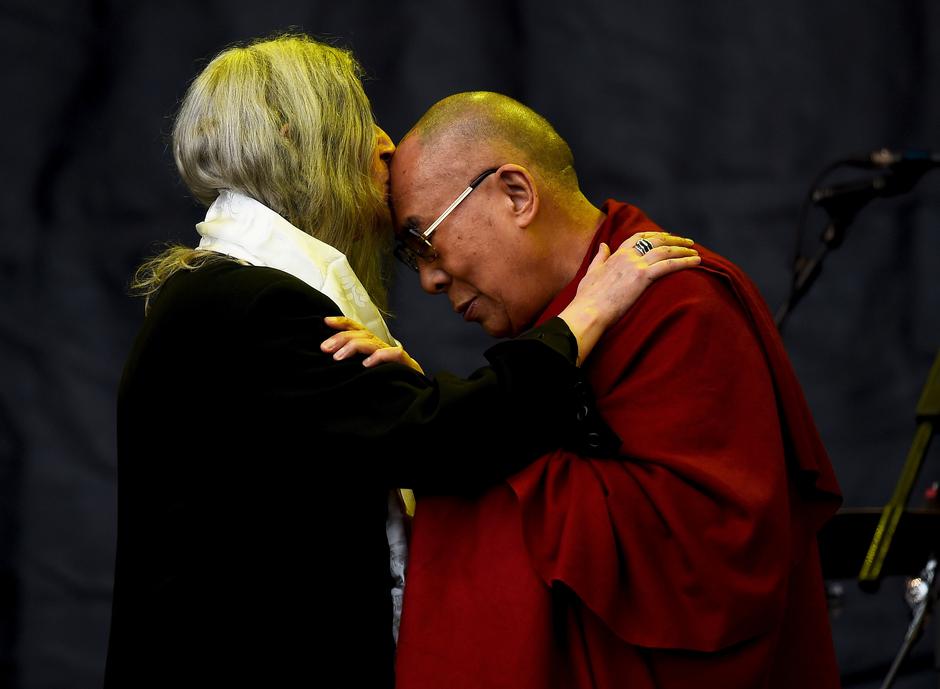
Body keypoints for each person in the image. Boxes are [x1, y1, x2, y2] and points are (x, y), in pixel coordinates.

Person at [102, 37, 700, 689]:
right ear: (297, 139)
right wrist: (585, 314)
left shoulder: (218, 294)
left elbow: (376, 438)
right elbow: (440, 441)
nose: (387, 145)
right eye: (362, 124)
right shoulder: (249, 302)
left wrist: (398, 394)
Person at [378, 92, 844, 689]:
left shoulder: (682, 304)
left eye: (425, 242)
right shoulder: (562, 325)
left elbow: (710, 558)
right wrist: (431, 416)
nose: (428, 279)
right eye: (409, 258)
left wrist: (453, 441)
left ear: (516, 194)